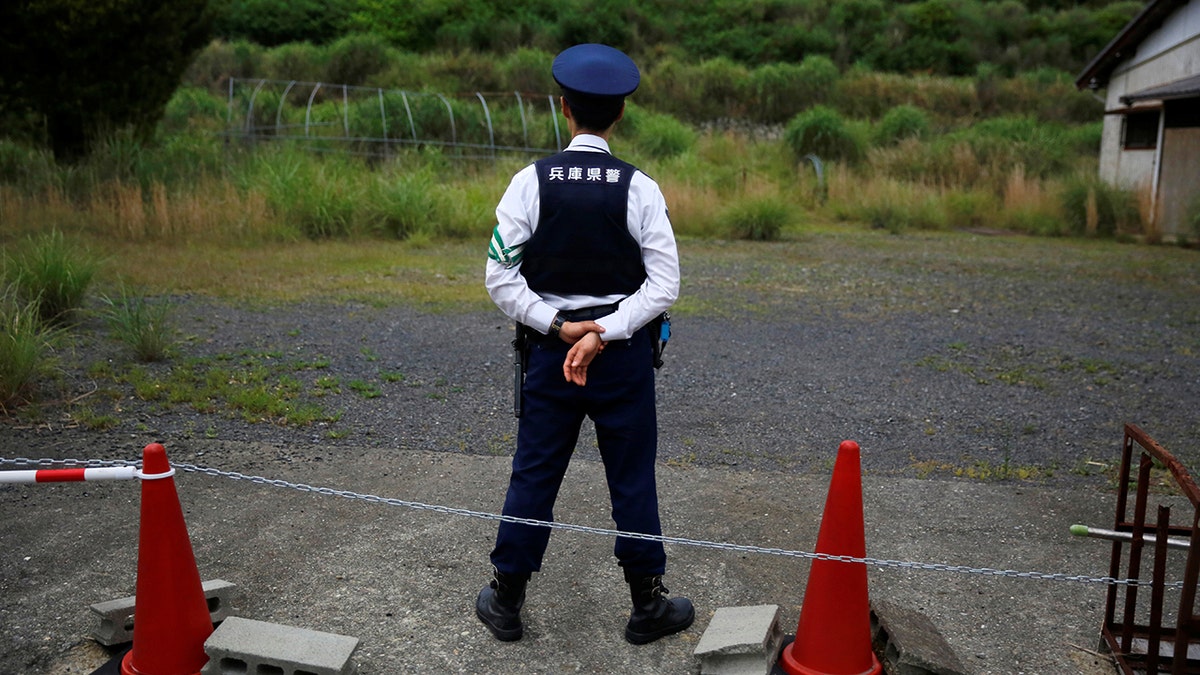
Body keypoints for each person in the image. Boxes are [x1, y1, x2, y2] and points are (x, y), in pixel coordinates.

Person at [477, 43, 692, 646]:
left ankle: (507, 601)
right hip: (622, 362)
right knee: (632, 478)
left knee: (535, 473)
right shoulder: (641, 188)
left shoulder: (530, 182)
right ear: (618, 115)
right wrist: (607, 331)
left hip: (549, 356)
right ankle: (647, 607)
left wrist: (560, 327)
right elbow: (665, 285)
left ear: (564, 108)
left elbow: (500, 275)